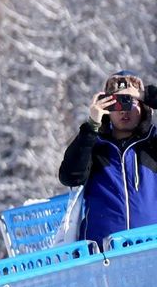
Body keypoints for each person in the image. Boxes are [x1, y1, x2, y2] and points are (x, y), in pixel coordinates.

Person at [58, 70, 157, 243]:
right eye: (116, 103)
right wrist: (91, 126)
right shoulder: (94, 145)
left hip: (150, 248)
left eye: (130, 101)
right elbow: (70, 177)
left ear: (142, 106)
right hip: (104, 254)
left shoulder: (153, 143)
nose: (123, 111)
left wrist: (146, 94)